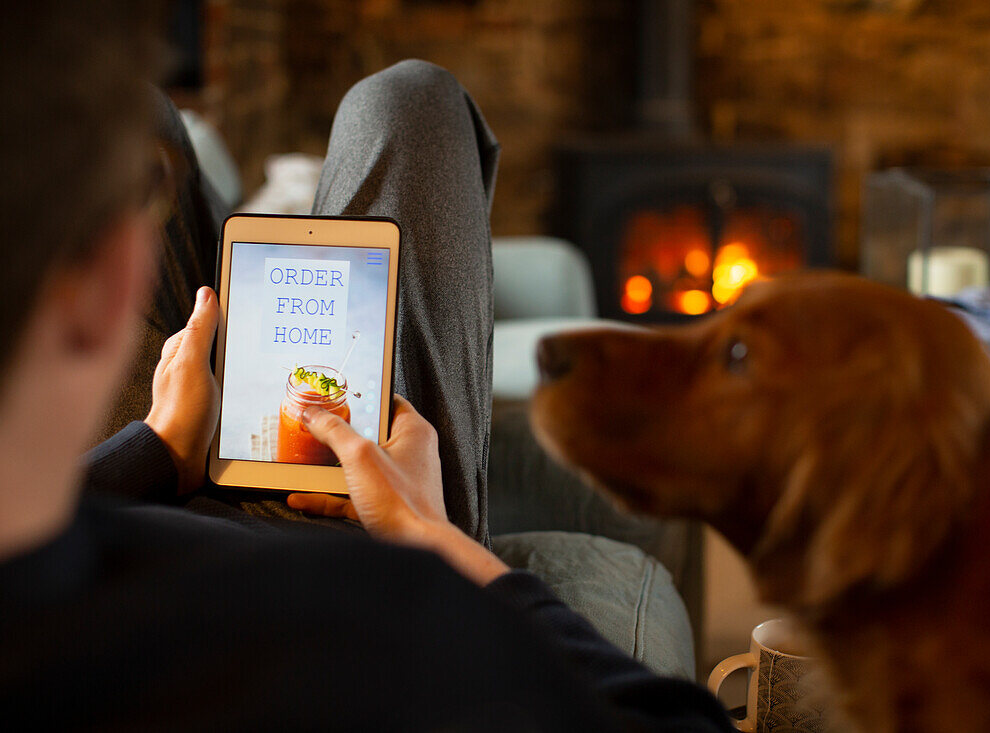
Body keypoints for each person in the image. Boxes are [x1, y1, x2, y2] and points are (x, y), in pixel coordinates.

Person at [0, 3, 730, 729]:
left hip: (144, 482)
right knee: (412, 98)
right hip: (360, 532)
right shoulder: (387, 634)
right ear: (120, 278)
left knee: (148, 117)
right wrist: (428, 534)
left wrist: (156, 448)